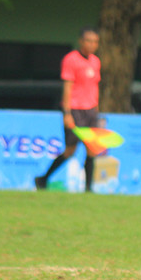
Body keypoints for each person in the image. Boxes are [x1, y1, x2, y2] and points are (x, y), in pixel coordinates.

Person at [35, 27, 101, 192]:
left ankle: (88, 189)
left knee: (91, 149)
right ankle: (43, 179)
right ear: (81, 41)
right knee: (70, 150)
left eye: (95, 41)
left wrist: (97, 110)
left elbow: (94, 87)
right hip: (76, 110)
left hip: (91, 110)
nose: (92, 44)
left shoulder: (95, 61)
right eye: (88, 40)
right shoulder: (71, 60)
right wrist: (67, 113)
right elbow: (68, 88)